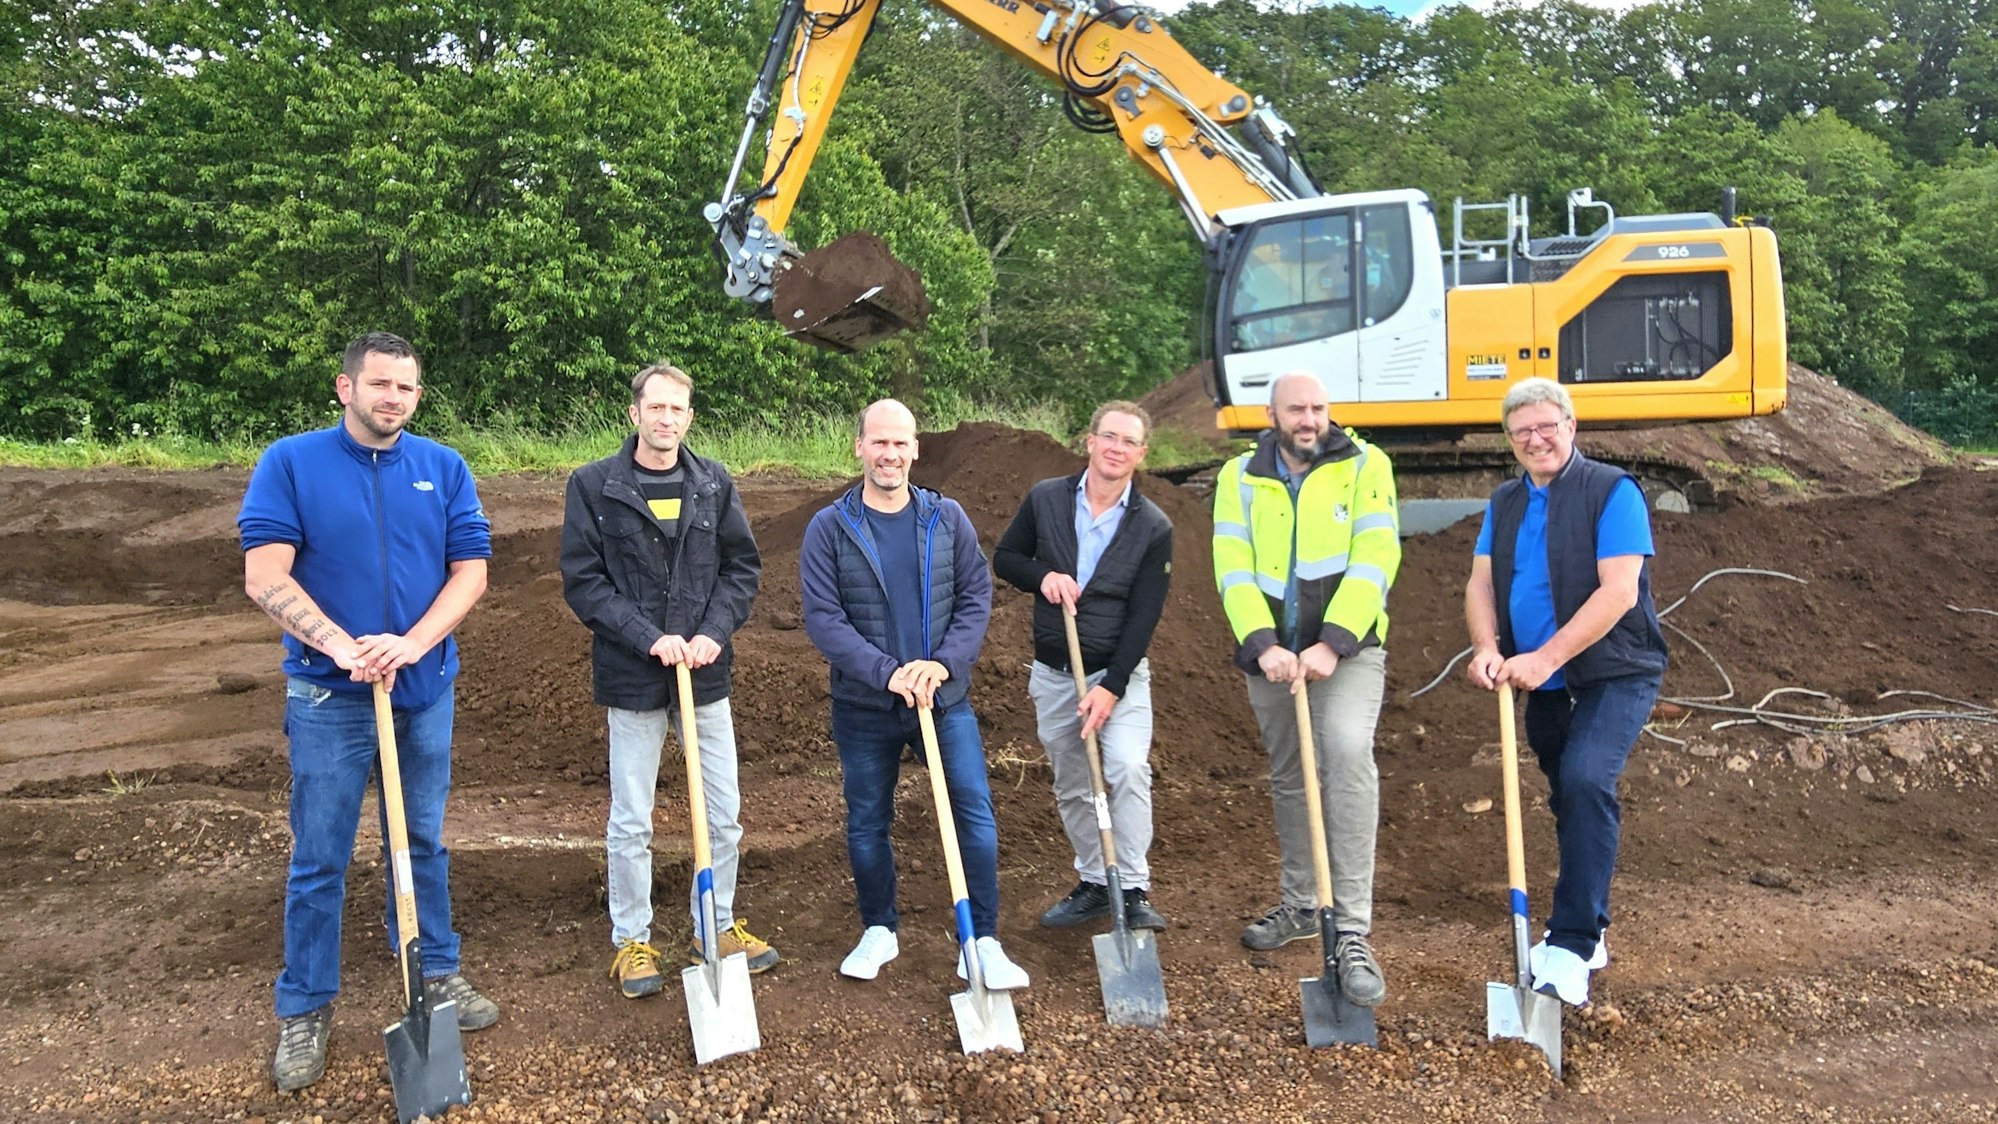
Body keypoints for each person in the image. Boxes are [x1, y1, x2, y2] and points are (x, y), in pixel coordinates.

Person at [238, 331, 496, 1093]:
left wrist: (412, 645)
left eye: (407, 389)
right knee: (320, 855)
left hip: (422, 690)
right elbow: (264, 575)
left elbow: (470, 572)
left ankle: (436, 973)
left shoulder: (443, 468)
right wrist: (343, 646)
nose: (395, 400)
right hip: (329, 696)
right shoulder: (291, 463)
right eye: (380, 385)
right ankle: (306, 1006)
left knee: (420, 840)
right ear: (344, 388)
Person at [559, 363, 776, 1001]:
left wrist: (712, 631)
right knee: (632, 818)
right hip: (633, 673)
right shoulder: (595, 486)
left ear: (689, 416)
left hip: (705, 672)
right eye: (656, 407)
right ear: (635, 414)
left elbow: (742, 568)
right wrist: (647, 636)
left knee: (725, 812)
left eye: (678, 409)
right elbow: (584, 581)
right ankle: (632, 938)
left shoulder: (713, 484)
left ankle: (717, 926)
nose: (667, 419)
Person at [799, 399, 1028, 990]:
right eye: (879, 442)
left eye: (900, 443)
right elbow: (824, 618)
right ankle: (879, 929)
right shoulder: (830, 527)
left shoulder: (946, 518)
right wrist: (885, 672)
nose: (890, 454)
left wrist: (943, 666)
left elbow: (977, 596)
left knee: (973, 813)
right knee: (867, 821)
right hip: (866, 706)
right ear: (859, 448)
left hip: (943, 703)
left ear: (916, 449)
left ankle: (981, 940)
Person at [1463, 377, 1667, 1007]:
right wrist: (1486, 647)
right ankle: (1590, 917)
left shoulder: (1612, 491)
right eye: (1522, 430)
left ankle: (1575, 941)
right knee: (1567, 795)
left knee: (1584, 781)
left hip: (1615, 671)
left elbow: (1618, 592)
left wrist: (1545, 655)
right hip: (1540, 681)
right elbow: (1480, 583)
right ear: (1510, 440)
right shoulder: (1505, 502)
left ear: (1571, 427)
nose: (1536, 439)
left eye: (1547, 426)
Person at [1212, 371, 1399, 1008]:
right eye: (1297, 409)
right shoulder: (1238, 478)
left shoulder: (1366, 465)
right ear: (1273, 415)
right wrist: (1264, 645)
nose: (1310, 419)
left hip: (1346, 652)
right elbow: (1231, 565)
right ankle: (1299, 904)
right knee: (1290, 772)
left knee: (1344, 757)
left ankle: (1348, 931)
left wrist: (1333, 642)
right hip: (1271, 656)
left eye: (1319, 408)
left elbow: (1377, 557)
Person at [992, 400, 1173, 932]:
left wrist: (1111, 686)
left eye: (1129, 442)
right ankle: (1096, 882)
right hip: (1055, 674)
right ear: (1090, 441)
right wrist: (1042, 575)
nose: (1117, 449)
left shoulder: (1153, 526)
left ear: (1140, 455)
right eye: (1108, 437)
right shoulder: (1046, 499)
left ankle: (1133, 888)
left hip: (1119, 676)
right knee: (1074, 783)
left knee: (1125, 769)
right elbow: (1007, 557)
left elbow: (1146, 615)